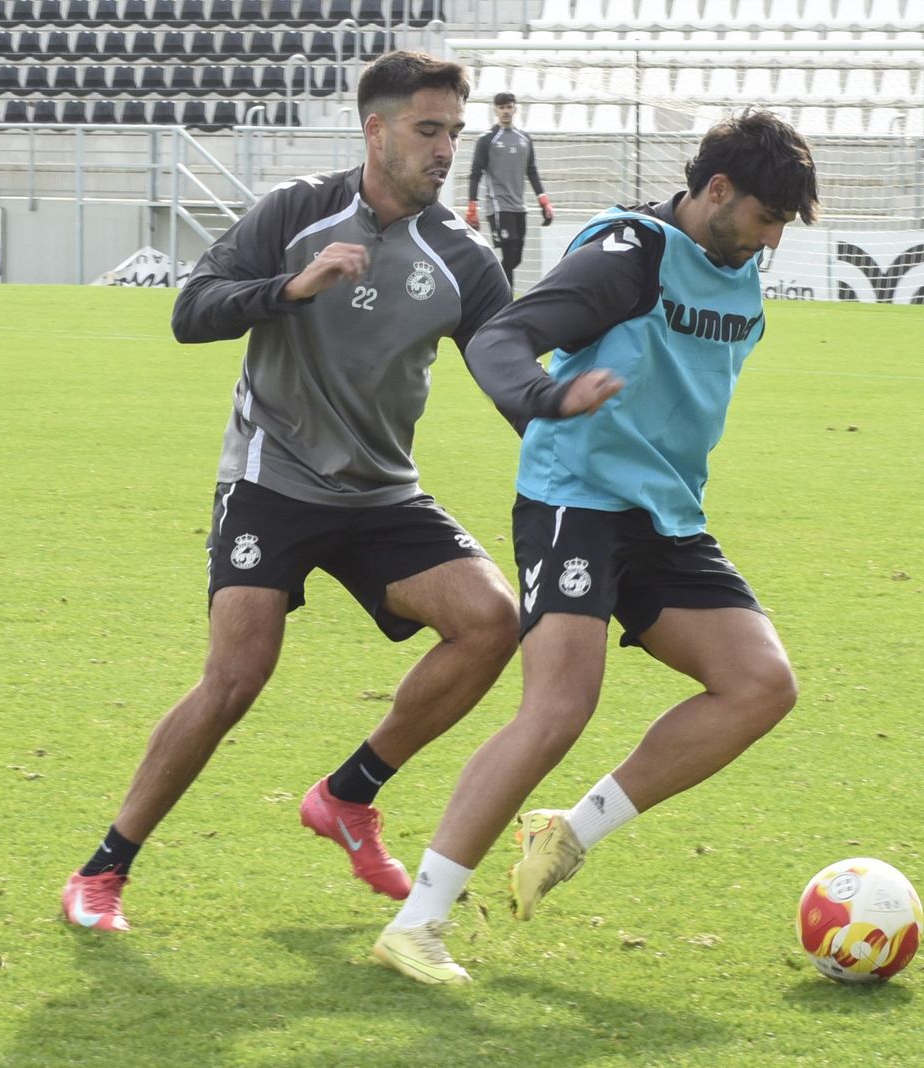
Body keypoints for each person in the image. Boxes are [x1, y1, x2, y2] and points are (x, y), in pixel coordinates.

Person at [58, 50, 617, 934]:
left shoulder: (465, 258)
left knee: (487, 622)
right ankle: (103, 869)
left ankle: (349, 795)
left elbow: (502, 370)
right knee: (237, 676)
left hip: (381, 492)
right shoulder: (296, 212)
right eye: (428, 130)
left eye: (453, 133)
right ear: (376, 130)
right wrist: (290, 287)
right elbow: (191, 309)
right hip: (271, 476)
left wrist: (555, 406)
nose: (444, 150)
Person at [372, 109, 821, 984]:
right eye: (766, 219)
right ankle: (417, 921)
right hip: (575, 499)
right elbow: (504, 337)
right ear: (717, 190)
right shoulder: (631, 254)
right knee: (559, 708)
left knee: (761, 685)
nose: (769, 243)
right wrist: (545, 399)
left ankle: (569, 831)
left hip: (665, 515)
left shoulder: (739, 267)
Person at [465, 91, 554, 287]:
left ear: (515, 108)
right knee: (509, 251)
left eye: (509, 107)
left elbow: (531, 171)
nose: (505, 111)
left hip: (519, 206)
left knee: (516, 258)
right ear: (495, 110)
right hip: (497, 205)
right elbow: (475, 173)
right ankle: (506, 303)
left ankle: (487, 281)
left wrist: (543, 199)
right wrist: (472, 205)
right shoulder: (487, 139)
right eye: (501, 107)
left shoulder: (524, 138)